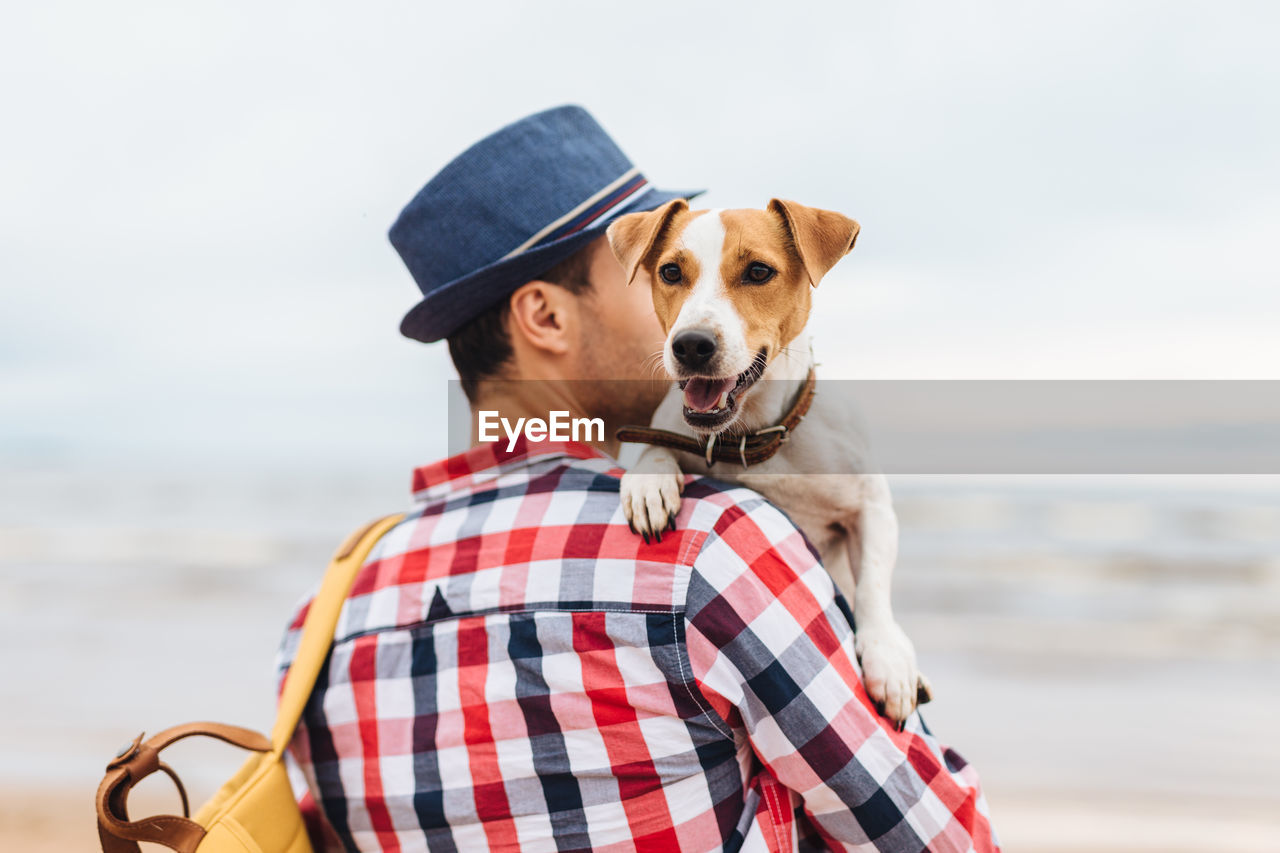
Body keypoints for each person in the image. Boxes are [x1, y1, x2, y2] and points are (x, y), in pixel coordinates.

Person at [275, 105, 1000, 852]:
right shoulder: (716, 550)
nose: (693, 312)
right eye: (666, 274)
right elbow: (936, 837)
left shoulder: (319, 625)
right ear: (545, 318)